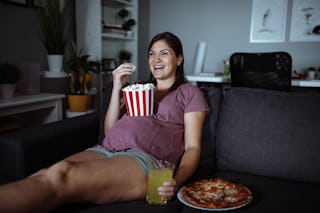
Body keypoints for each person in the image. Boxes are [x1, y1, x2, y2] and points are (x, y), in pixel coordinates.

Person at [0, 32, 209, 212]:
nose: (156, 59)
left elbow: (192, 147)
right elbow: (110, 130)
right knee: (45, 174)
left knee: (61, 176)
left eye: (164, 53)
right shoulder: (137, 87)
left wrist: (177, 181)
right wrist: (117, 86)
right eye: (152, 54)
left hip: (144, 159)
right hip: (105, 149)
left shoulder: (189, 93)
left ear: (179, 59)